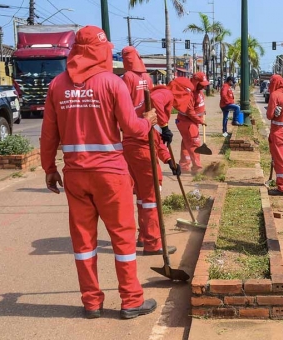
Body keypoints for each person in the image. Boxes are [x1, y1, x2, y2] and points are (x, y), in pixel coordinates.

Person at [40, 26, 158, 319]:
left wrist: (49, 169)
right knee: (123, 239)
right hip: (110, 173)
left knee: (83, 242)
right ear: (102, 51)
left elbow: (48, 135)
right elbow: (131, 128)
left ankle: (91, 302)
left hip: (76, 175)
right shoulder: (112, 83)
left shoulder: (57, 86)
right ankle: (131, 300)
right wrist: (149, 122)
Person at [120, 46, 177, 256]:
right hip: (141, 137)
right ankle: (153, 244)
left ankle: (144, 236)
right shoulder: (148, 79)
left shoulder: (125, 78)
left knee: (143, 196)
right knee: (151, 195)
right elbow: (155, 124)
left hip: (130, 138)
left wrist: (170, 159)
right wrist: (164, 127)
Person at [174, 77, 206, 174]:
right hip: (186, 121)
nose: (203, 86)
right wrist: (200, 120)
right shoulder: (189, 94)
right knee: (194, 143)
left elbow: (201, 105)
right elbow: (190, 112)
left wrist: (203, 114)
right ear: (195, 82)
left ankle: (184, 166)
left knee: (186, 143)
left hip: (193, 121)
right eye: (201, 84)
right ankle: (197, 168)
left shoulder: (200, 92)